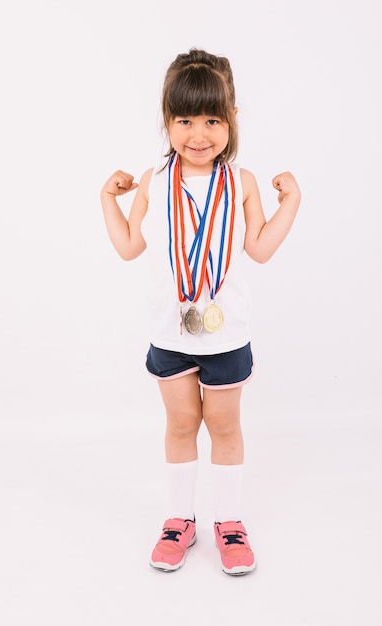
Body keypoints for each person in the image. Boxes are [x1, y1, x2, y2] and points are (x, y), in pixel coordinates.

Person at [100, 48, 301, 576]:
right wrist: (107, 198)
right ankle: (179, 519)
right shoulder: (154, 181)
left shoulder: (242, 183)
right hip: (170, 331)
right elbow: (127, 247)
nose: (198, 133)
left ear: (232, 119)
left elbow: (258, 247)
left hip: (226, 332)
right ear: (166, 122)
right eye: (184, 119)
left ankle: (229, 522)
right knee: (182, 422)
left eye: (212, 119)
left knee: (226, 427)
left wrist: (292, 204)